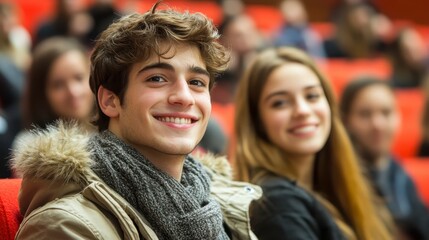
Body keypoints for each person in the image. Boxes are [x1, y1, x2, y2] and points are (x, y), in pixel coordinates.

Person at [12, 3, 261, 239]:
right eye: (157, 79)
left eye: (196, 82)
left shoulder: (219, 200)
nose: (184, 97)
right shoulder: (66, 226)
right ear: (110, 101)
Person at [234, 47, 393, 239]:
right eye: (280, 103)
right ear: (257, 122)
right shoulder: (278, 205)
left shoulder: (331, 186)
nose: (302, 110)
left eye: (312, 96)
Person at [340, 77, 429, 240]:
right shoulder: (341, 178)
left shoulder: (397, 170)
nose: (378, 124)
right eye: (365, 115)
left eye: (386, 113)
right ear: (346, 122)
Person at [20, 37, 94, 130]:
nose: (73, 92)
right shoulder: (31, 143)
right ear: (40, 93)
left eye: (79, 78)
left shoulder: (114, 131)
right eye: (58, 85)